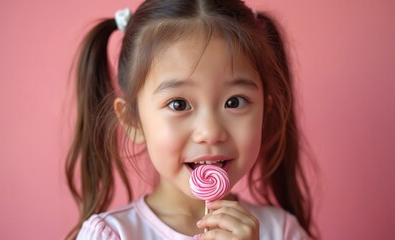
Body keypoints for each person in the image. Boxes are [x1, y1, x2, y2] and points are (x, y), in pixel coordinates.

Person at [66, 0, 316, 239]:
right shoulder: (111, 235)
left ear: (264, 112)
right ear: (133, 121)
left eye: (235, 102)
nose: (210, 131)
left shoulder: (282, 231)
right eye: (179, 104)